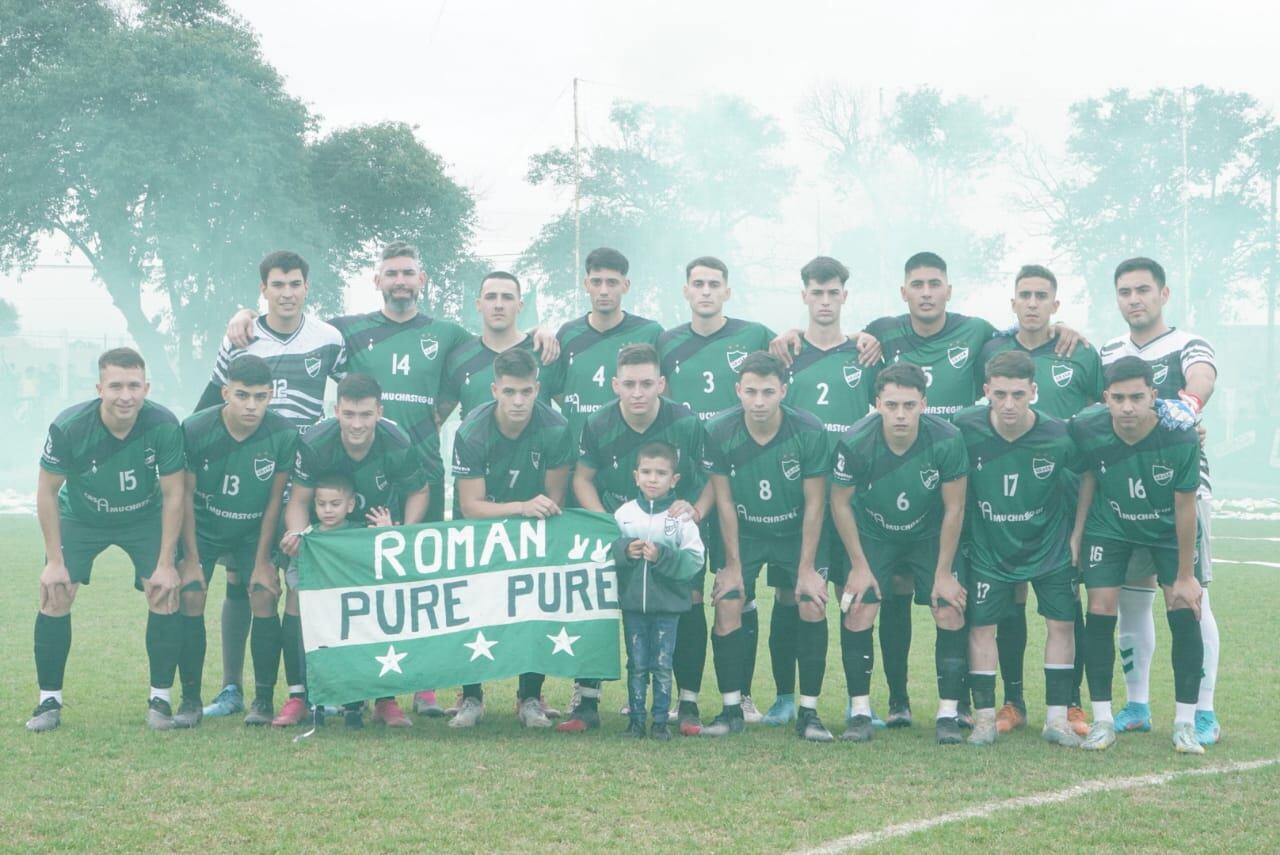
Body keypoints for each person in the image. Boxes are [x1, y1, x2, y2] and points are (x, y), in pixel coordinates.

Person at [197, 250, 347, 721]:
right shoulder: (241, 336)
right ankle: (232, 688)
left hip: (302, 479)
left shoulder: (329, 338)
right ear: (262, 289)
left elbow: (352, 398)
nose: (286, 293)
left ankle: (312, 689)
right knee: (243, 582)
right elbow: (210, 405)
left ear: (307, 288)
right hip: (252, 482)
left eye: (295, 284)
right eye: (277, 285)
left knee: (303, 587)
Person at [28, 347, 186, 732]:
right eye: (116, 385)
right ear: (100, 387)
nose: (125, 395)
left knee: (164, 592)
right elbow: (46, 492)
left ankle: (160, 702)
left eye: (134, 385)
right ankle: (49, 701)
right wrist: (53, 561)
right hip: (81, 517)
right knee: (56, 593)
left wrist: (166, 563)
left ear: (146, 387)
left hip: (142, 516)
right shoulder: (69, 426)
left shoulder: (164, 424)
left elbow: (174, 495)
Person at [975, 264, 1103, 736]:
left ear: (1055, 302)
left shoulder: (1081, 351)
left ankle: (1070, 703)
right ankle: (1012, 701)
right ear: (1013, 303)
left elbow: (1103, 409)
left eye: (1041, 295)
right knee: (1009, 600)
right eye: (1024, 294)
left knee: (1066, 604)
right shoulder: (993, 348)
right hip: (1007, 496)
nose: (1032, 302)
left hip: (1061, 494)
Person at [1098, 257, 1221, 746]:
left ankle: (1204, 712)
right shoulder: (1107, 350)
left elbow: (1202, 378)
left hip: (1182, 490)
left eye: (1143, 290)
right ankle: (1137, 704)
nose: (1135, 299)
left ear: (1164, 294)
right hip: (1124, 493)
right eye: (1125, 292)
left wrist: (1185, 408)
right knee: (1131, 601)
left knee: (1190, 596)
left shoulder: (1188, 342)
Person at [559, 343, 711, 733]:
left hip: (672, 529)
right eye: (629, 384)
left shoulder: (686, 423)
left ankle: (688, 703)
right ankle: (587, 700)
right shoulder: (597, 424)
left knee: (688, 601)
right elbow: (583, 478)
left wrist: (695, 510)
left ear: (661, 383)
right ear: (615, 385)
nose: (638, 392)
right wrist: (606, 524)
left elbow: (713, 480)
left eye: (647, 383)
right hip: (621, 528)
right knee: (601, 604)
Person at [279, 373, 436, 729]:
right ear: (336, 410)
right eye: (348, 414)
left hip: (373, 538)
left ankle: (384, 698)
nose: (356, 423)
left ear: (379, 411)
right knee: (297, 597)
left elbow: (419, 491)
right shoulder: (316, 441)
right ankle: (298, 696)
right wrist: (298, 535)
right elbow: (299, 499)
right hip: (326, 537)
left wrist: (402, 536)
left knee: (380, 607)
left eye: (365, 415)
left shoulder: (396, 441)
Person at [656, 256, 774, 730]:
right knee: (684, 596)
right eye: (698, 284)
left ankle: (741, 695)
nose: (706, 291)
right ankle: (680, 696)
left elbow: (790, 358)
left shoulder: (755, 334)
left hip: (733, 483)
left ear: (728, 291)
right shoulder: (665, 341)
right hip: (682, 490)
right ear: (686, 291)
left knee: (736, 593)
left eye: (714, 284)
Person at [765, 256, 881, 729]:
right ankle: (783, 698)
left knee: (859, 596)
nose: (826, 301)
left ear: (845, 296)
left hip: (853, 498)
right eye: (817, 292)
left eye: (834, 292)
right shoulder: (785, 356)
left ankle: (864, 704)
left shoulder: (867, 354)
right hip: (799, 498)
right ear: (804, 296)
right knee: (791, 595)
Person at [829, 363, 970, 745]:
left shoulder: (946, 438)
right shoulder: (856, 440)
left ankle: (948, 714)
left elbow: (955, 508)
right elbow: (840, 504)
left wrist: (943, 573)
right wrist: (858, 566)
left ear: (924, 403)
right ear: (877, 404)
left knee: (949, 607)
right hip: (874, 533)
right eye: (892, 405)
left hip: (927, 533)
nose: (901, 414)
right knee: (858, 606)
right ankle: (859, 712)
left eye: (909, 405)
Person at [1070, 356, 1205, 754]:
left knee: (1184, 607)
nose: (1127, 407)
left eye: (1136, 397)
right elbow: (1088, 475)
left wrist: (1184, 574)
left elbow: (1185, 506)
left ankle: (1185, 723)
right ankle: (1102, 721)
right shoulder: (1087, 427)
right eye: (1119, 398)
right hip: (1109, 527)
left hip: (1165, 529)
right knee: (1099, 609)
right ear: (1105, 398)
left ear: (1153, 396)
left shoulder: (1180, 437)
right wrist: (1077, 535)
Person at [701, 352, 834, 742]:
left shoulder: (808, 430)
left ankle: (808, 714)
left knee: (810, 602)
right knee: (729, 598)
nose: (759, 401)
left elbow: (815, 503)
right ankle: (730, 710)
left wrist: (807, 569)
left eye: (768, 392)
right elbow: (723, 502)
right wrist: (732, 565)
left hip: (795, 532)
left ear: (783, 392)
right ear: (738, 391)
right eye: (751, 392)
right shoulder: (720, 430)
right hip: (745, 532)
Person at [953, 351, 1083, 747]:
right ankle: (985, 719)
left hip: (1049, 545)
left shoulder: (1058, 435)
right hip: (991, 548)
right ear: (986, 391)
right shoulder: (964, 427)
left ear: (1034, 392)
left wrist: (1076, 536)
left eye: (1018, 395)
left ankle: (1057, 720)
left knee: (1061, 623)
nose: (1009, 404)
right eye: (1001, 394)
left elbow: (1087, 476)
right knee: (981, 626)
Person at [450, 348, 574, 728]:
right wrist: (521, 506)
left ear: (537, 388)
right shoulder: (471, 430)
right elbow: (471, 506)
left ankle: (531, 698)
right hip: (481, 529)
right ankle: (471, 697)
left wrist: (530, 512)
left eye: (525, 391)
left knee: (534, 608)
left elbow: (554, 499)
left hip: (532, 530)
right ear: (494, 390)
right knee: (472, 610)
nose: (518, 400)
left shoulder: (555, 427)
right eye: (509, 392)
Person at [176, 355, 298, 728]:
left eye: (260, 397)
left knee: (263, 592)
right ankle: (190, 701)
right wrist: (192, 558)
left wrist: (263, 559)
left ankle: (262, 700)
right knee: (192, 592)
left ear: (271, 395)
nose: (251, 405)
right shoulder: (196, 429)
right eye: (242, 395)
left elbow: (275, 501)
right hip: (205, 528)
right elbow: (184, 495)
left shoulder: (282, 433)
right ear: (226, 392)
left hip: (252, 531)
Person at [609, 441, 705, 740]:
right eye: (647, 472)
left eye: (661, 473)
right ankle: (636, 720)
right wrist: (626, 549)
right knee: (637, 663)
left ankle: (661, 722)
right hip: (634, 605)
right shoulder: (624, 514)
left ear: (674, 479)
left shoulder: (681, 518)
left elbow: (695, 559)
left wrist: (663, 556)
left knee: (663, 665)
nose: (653, 479)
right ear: (635, 476)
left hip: (668, 608)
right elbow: (607, 551)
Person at [277, 472, 366, 726]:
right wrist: (305, 592)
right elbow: (293, 571)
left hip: (350, 613)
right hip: (317, 615)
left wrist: (384, 528)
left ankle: (353, 707)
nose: (327, 510)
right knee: (314, 658)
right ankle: (314, 704)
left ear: (350, 505)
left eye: (335, 504)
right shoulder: (308, 537)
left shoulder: (360, 533)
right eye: (321, 504)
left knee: (351, 657)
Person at [437, 271, 546, 422]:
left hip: (537, 446)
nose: (498, 305)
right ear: (478, 305)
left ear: (520, 306)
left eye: (507, 297)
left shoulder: (543, 351)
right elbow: (436, 420)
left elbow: (570, 411)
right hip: (478, 446)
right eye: (491, 297)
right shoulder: (459, 359)